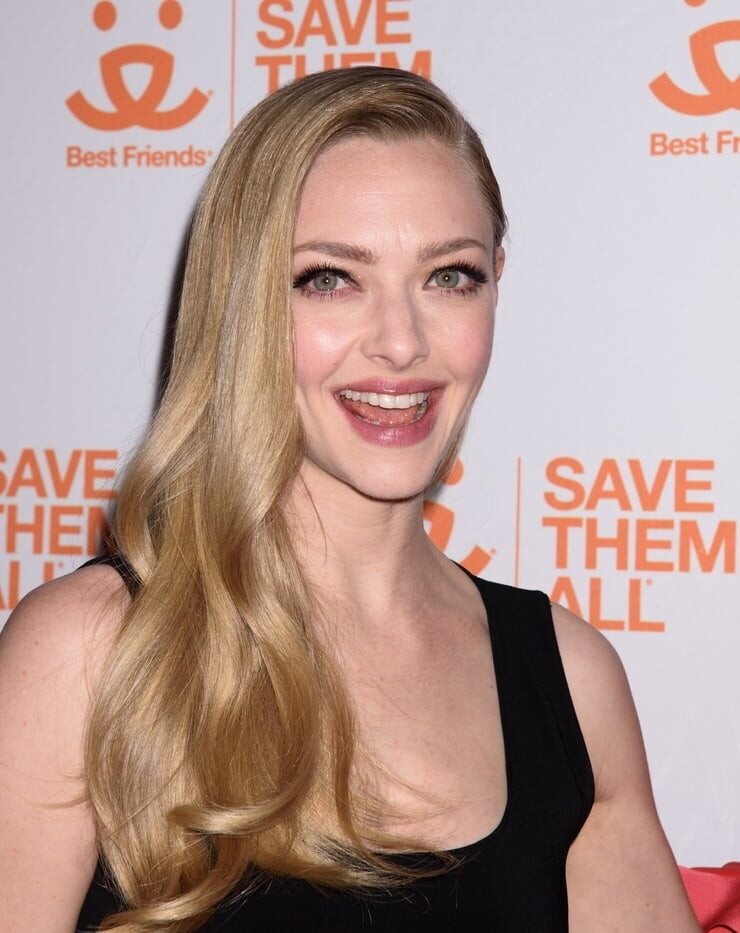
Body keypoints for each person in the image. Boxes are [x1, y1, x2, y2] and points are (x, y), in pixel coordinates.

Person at [0, 67, 698, 932]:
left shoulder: (571, 681)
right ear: (240, 302)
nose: (402, 342)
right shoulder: (91, 653)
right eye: (330, 278)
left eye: (451, 276)